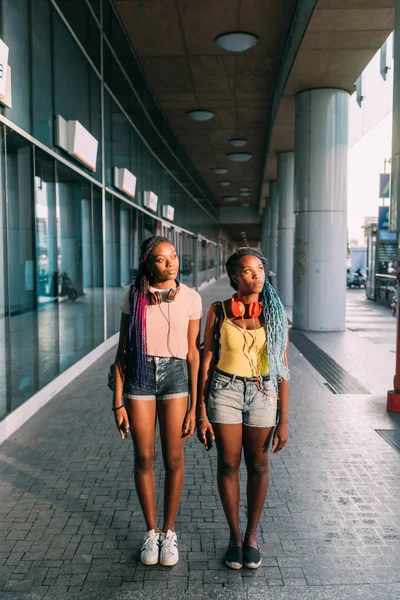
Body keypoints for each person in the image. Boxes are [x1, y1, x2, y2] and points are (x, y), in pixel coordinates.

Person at [112, 236, 202, 567]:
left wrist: (196, 405)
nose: (170, 263)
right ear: (148, 264)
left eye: (174, 257)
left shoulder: (192, 298)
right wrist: (117, 402)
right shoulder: (134, 297)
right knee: (144, 457)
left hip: (176, 376)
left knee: (174, 458)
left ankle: (169, 532)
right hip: (139, 375)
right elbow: (122, 350)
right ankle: (151, 532)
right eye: (162, 260)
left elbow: (194, 353)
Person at [198, 248, 289, 570]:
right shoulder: (218, 310)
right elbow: (206, 361)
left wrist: (284, 420)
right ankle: (234, 537)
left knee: (259, 463)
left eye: (261, 270)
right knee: (228, 464)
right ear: (235, 277)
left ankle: (252, 536)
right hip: (225, 391)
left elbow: (282, 367)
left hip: (263, 393)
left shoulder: (275, 314)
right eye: (249, 271)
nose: (257, 276)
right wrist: (201, 411)